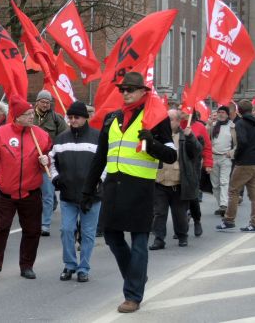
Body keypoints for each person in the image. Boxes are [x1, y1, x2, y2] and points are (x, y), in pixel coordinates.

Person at [82, 72, 177, 313]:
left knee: (139, 242)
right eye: (123, 89)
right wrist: (87, 189)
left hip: (140, 188)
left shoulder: (155, 118)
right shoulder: (112, 118)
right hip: (113, 187)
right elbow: (99, 158)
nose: (126, 93)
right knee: (113, 238)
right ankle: (136, 276)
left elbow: (170, 155)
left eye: (131, 89)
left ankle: (133, 295)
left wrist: (151, 142)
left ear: (143, 91)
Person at [0, 95, 51, 280]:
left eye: (32, 113)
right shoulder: (1, 134)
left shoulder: (41, 136)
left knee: (32, 230)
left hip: (31, 192)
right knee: (2, 228)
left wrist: (46, 162)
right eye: (27, 114)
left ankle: (27, 265)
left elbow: (49, 163)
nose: (31, 117)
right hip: (6, 192)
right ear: (17, 116)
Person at [48, 101, 100, 282]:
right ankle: (69, 264)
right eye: (70, 117)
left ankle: (84, 268)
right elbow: (51, 161)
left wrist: (99, 181)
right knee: (66, 230)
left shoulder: (98, 137)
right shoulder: (61, 138)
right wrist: (55, 178)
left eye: (76, 117)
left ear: (85, 118)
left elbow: (107, 163)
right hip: (68, 195)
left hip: (92, 196)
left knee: (87, 233)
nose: (73, 120)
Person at [150, 110, 200, 250]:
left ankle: (182, 236)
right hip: (160, 180)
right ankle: (159, 239)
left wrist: (191, 138)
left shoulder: (185, 136)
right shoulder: (158, 135)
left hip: (179, 182)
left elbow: (196, 151)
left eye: (170, 119)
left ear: (178, 121)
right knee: (159, 213)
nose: (166, 122)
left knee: (179, 214)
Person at [216, 100, 255, 231]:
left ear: (239, 111)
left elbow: (242, 142)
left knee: (233, 191)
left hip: (243, 163)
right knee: (254, 193)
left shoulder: (240, 124)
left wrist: (236, 155)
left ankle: (229, 220)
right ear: (251, 110)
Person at [32, 90, 67, 237]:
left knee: (46, 194)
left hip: (48, 162)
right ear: (37, 102)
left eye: (48, 102)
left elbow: (64, 138)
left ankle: (45, 225)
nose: (46, 104)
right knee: (33, 195)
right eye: (43, 102)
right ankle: (33, 221)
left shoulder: (57, 119)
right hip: (31, 161)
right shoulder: (29, 116)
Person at [207, 106, 237, 217]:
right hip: (213, 157)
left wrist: (232, 152)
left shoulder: (232, 127)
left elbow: (237, 144)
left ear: (227, 114)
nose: (221, 114)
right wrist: (208, 125)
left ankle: (224, 205)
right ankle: (221, 205)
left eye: (223, 112)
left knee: (224, 182)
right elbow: (206, 139)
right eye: (219, 112)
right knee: (215, 184)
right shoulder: (213, 126)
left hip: (226, 158)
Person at [187, 110, 212, 237]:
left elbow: (207, 147)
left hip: (193, 166)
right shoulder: (174, 125)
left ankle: (197, 220)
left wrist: (208, 163)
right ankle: (181, 227)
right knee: (178, 199)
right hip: (176, 167)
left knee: (192, 197)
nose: (182, 113)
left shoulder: (199, 127)